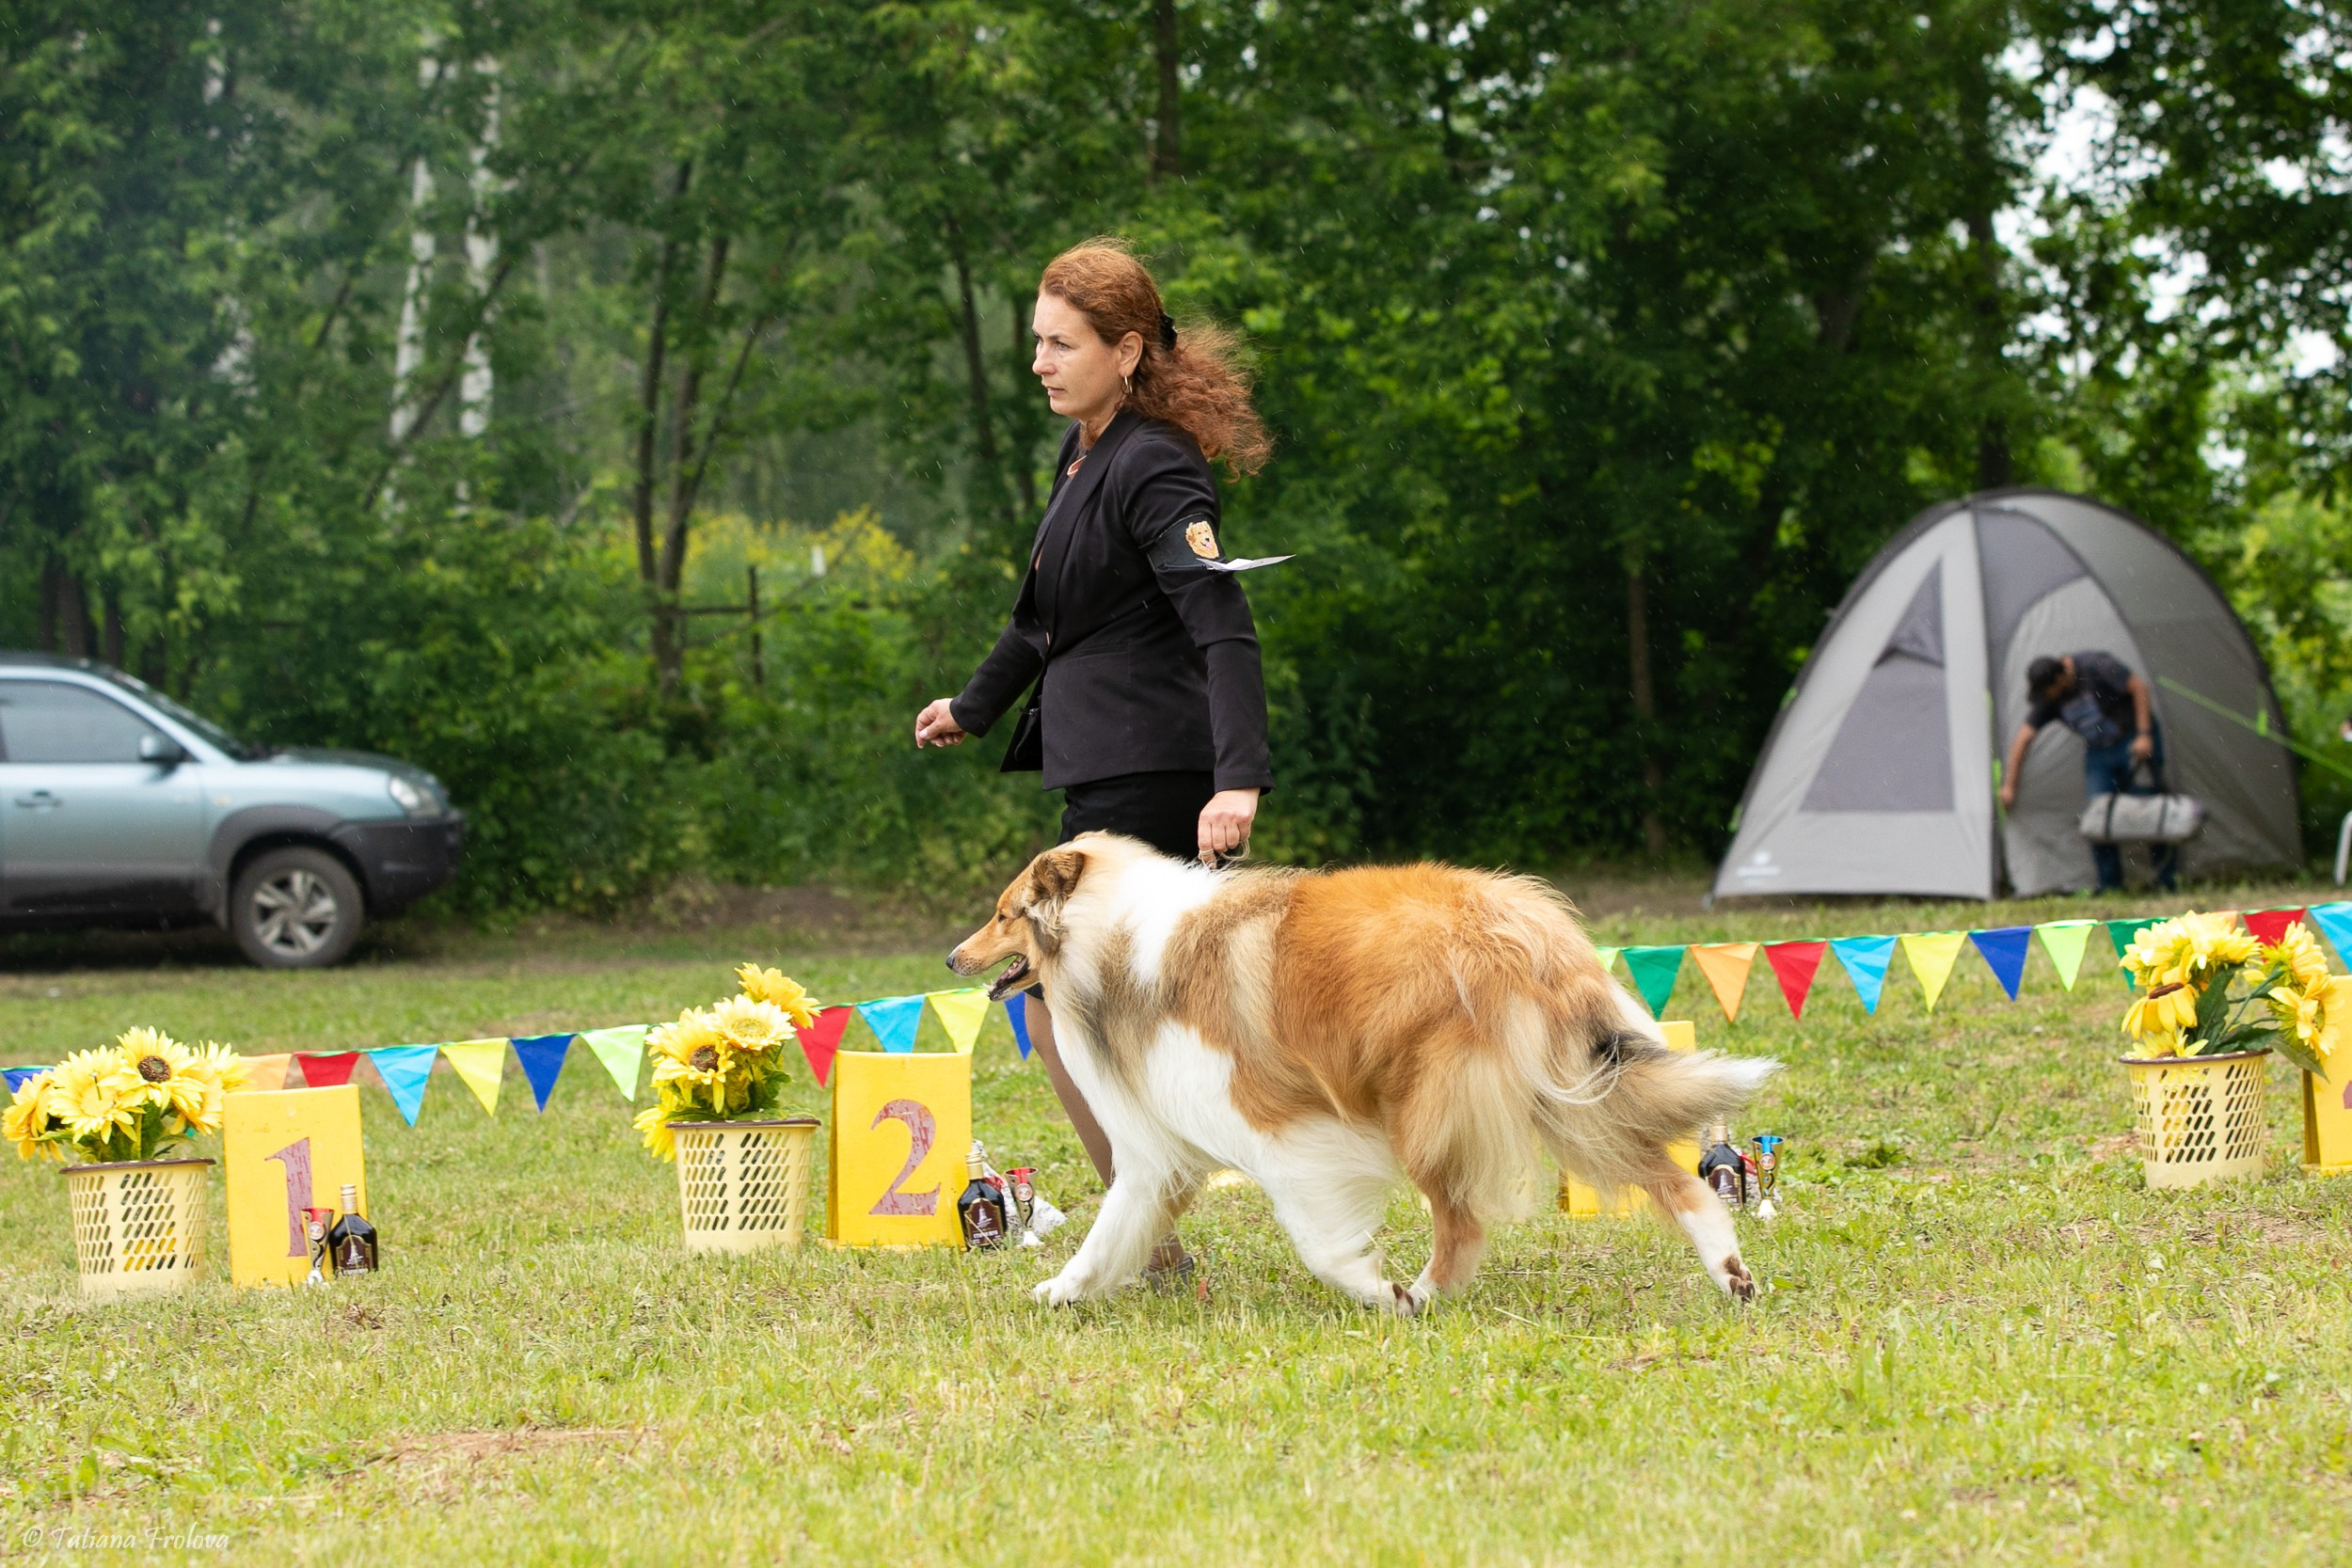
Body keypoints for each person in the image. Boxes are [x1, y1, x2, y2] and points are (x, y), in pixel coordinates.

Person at [914, 238, 1276, 1288]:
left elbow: (1223, 621)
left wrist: (1237, 777)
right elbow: (1041, 623)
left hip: (1154, 770)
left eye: (1059, 342)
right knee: (1074, 1001)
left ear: (1124, 350)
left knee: (1067, 997)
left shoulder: (1155, 460)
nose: (1038, 360)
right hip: (1096, 767)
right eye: (1035, 340)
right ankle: (1150, 1229)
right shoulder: (1083, 452)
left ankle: (1149, 1233)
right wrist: (971, 709)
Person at [1998, 651, 2176, 892]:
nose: (2044, 698)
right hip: (2100, 751)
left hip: (2132, 738)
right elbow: (2023, 739)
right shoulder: (2051, 698)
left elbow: (2139, 687)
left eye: (2046, 692)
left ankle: (2165, 880)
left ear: (2059, 679)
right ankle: (2111, 886)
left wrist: (2144, 735)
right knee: (2098, 816)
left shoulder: (2096, 666)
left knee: (2151, 807)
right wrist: (2009, 785)